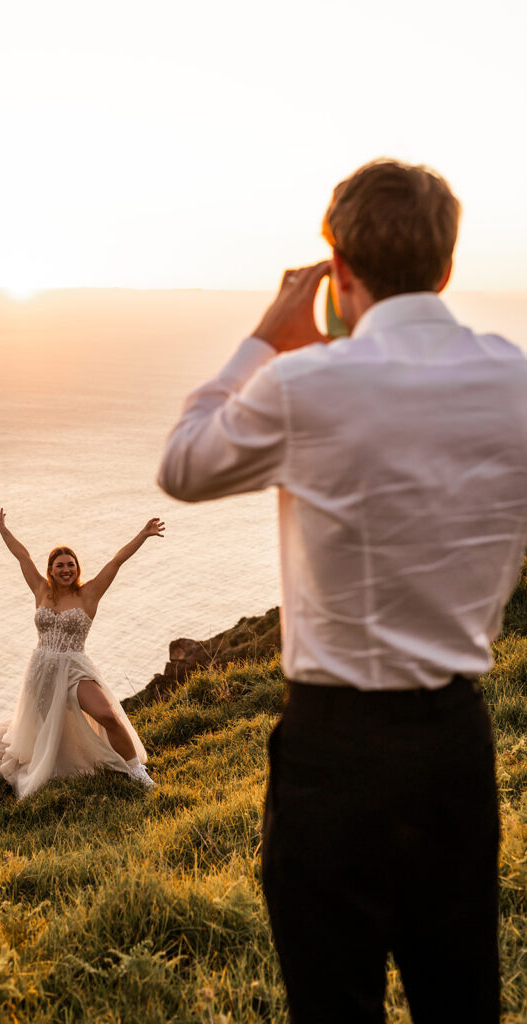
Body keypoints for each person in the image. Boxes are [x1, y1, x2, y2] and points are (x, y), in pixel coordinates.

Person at [157, 159, 527, 1023]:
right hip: (453, 741)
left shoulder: (304, 386)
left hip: (333, 750)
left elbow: (182, 466)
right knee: (461, 1000)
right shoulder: (512, 378)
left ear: (338, 269)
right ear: (444, 267)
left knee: (332, 1005)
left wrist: (266, 337)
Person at [0, 510, 164, 798]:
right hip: (41, 669)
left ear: (77, 568)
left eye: (71, 565)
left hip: (75, 667)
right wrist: (3, 530)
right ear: (51, 570)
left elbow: (116, 561)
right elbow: (23, 557)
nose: (66, 570)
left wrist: (143, 534)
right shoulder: (41, 589)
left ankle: (136, 771)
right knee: (50, 730)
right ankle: (60, 768)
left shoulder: (89, 594)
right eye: (60, 566)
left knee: (107, 715)